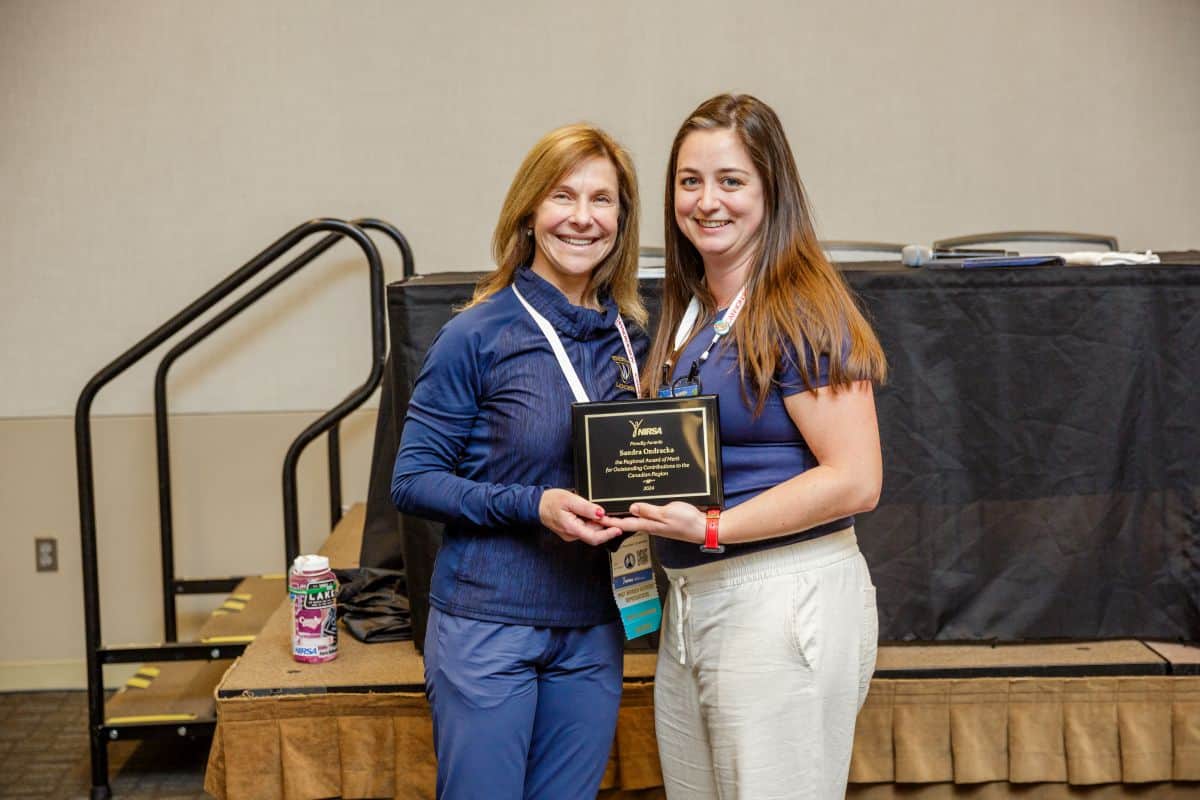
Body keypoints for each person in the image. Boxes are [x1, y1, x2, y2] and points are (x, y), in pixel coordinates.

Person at [616, 94, 888, 798]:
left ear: (772, 192)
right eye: (689, 181)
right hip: (692, 599)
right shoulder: (690, 312)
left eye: (731, 181)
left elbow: (856, 479)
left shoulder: (800, 304)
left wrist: (713, 526)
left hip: (778, 593)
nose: (707, 201)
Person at [390, 123, 648, 799]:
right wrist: (532, 503)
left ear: (623, 220)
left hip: (593, 625)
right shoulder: (476, 333)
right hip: (488, 625)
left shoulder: (634, 337)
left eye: (603, 200)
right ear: (530, 213)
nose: (583, 217)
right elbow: (412, 481)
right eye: (564, 197)